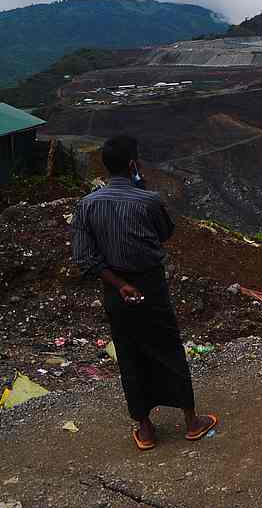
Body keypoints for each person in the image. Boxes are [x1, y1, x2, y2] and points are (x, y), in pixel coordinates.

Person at [71, 135, 218, 451]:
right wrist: (142, 187)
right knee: (168, 347)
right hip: (151, 286)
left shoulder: (86, 205)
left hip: (115, 290)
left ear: (105, 166)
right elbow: (165, 233)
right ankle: (192, 422)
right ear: (133, 165)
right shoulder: (148, 200)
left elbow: (84, 258)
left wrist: (120, 284)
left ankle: (146, 429)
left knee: (129, 353)